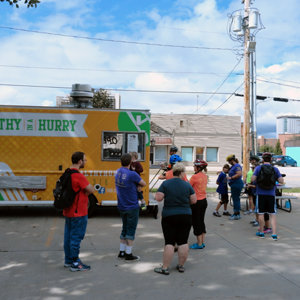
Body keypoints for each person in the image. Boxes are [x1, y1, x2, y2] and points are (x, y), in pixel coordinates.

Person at [154, 163, 196, 275]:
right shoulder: (187, 185)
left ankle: (165, 267)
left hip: (169, 215)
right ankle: (181, 266)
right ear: (182, 173)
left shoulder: (166, 183)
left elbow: (158, 198)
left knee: (169, 242)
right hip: (185, 215)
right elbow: (194, 200)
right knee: (183, 242)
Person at [63, 151, 95, 272]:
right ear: (80, 161)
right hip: (78, 212)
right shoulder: (78, 175)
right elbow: (90, 189)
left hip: (68, 211)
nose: (85, 162)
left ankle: (68, 260)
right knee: (76, 238)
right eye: (85, 160)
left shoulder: (67, 173)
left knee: (68, 237)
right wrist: (87, 191)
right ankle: (75, 262)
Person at [115, 153, 146, 261]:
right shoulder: (132, 174)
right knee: (131, 230)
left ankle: (121, 252)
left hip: (121, 205)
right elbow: (144, 183)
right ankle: (129, 254)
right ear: (130, 163)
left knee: (124, 228)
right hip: (132, 206)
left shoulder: (118, 172)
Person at [251, 152, 284, 241]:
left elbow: (252, 179)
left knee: (261, 213)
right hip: (271, 194)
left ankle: (261, 232)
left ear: (262, 159)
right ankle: (274, 234)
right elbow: (281, 181)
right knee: (272, 214)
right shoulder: (275, 169)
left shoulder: (258, 168)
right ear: (271, 159)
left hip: (260, 194)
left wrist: (256, 179)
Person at [189, 159, 208, 249]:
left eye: (194, 166)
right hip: (204, 201)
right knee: (201, 220)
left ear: (198, 167)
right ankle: (202, 242)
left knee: (196, 222)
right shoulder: (205, 176)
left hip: (196, 202)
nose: (193, 167)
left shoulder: (194, 177)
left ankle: (199, 244)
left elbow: (188, 187)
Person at [226, 154, 244, 220]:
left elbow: (239, 174)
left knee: (236, 199)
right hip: (234, 184)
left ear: (232, 160)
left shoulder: (237, 166)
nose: (228, 163)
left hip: (236, 183)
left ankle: (236, 214)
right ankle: (237, 213)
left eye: (229, 161)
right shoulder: (233, 166)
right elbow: (230, 171)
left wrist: (231, 177)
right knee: (235, 198)